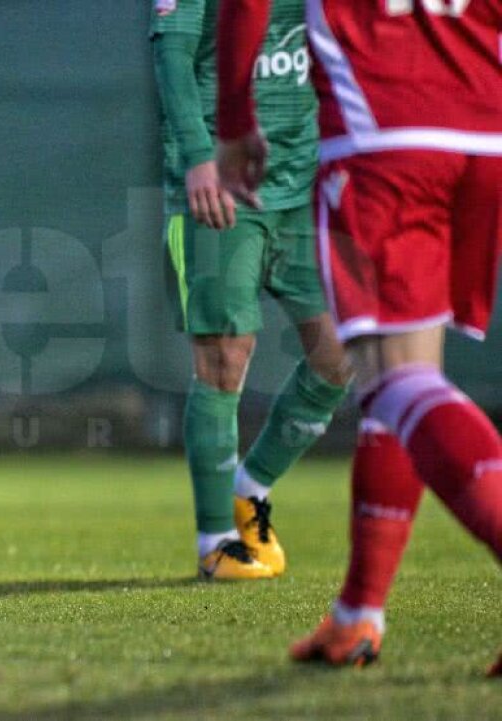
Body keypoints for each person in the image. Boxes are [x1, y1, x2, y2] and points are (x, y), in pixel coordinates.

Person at [216, 0, 502, 671]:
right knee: (397, 392)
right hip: (484, 135)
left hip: (386, 141)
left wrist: (234, 124)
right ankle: (357, 615)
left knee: (400, 381)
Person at [150, 0, 352, 580]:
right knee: (223, 357)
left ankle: (252, 485)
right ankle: (215, 541)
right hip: (221, 183)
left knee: (343, 349)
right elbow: (172, 53)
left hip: (307, 178)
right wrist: (196, 158)